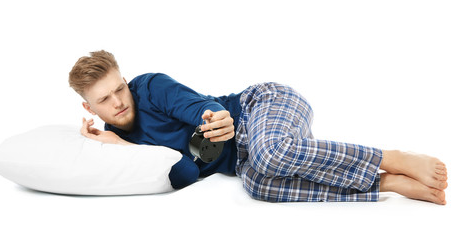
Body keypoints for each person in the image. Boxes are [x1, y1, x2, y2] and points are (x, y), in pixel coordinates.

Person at [68, 50, 448, 204]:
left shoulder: (150, 88)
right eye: (105, 100)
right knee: (258, 185)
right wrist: (120, 145)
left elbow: (203, 108)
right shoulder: (117, 137)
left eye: (119, 88)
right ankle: (386, 183)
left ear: (125, 79)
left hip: (261, 105)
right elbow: (184, 173)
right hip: (248, 159)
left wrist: (216, 117)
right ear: (89, 106)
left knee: (270, 153)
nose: (118, 102)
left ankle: (393, 157)